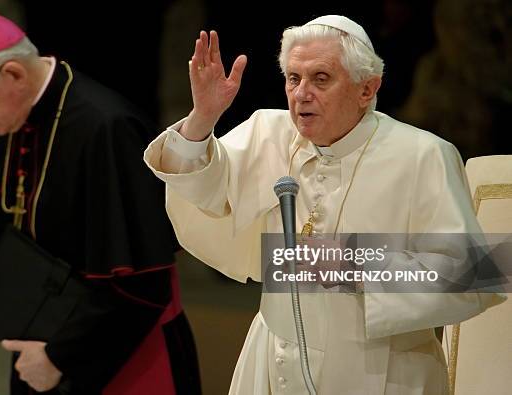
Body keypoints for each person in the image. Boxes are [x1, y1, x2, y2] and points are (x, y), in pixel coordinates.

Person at [144, 15, 505, 394]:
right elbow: (202, 192)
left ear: (367, 89)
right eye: (293, 78)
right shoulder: (269, 132)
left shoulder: (423, 155)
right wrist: (203, 118)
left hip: (380, 371)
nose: (301, 93)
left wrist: (354, 265)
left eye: (320, 78)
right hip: (273, 360)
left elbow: (473, 274)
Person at [0, 11, 200, 395]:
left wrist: (60, 357)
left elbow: (143, 282)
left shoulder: (107, 127)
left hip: (117, 353)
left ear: (13, 75)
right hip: (36, 345)